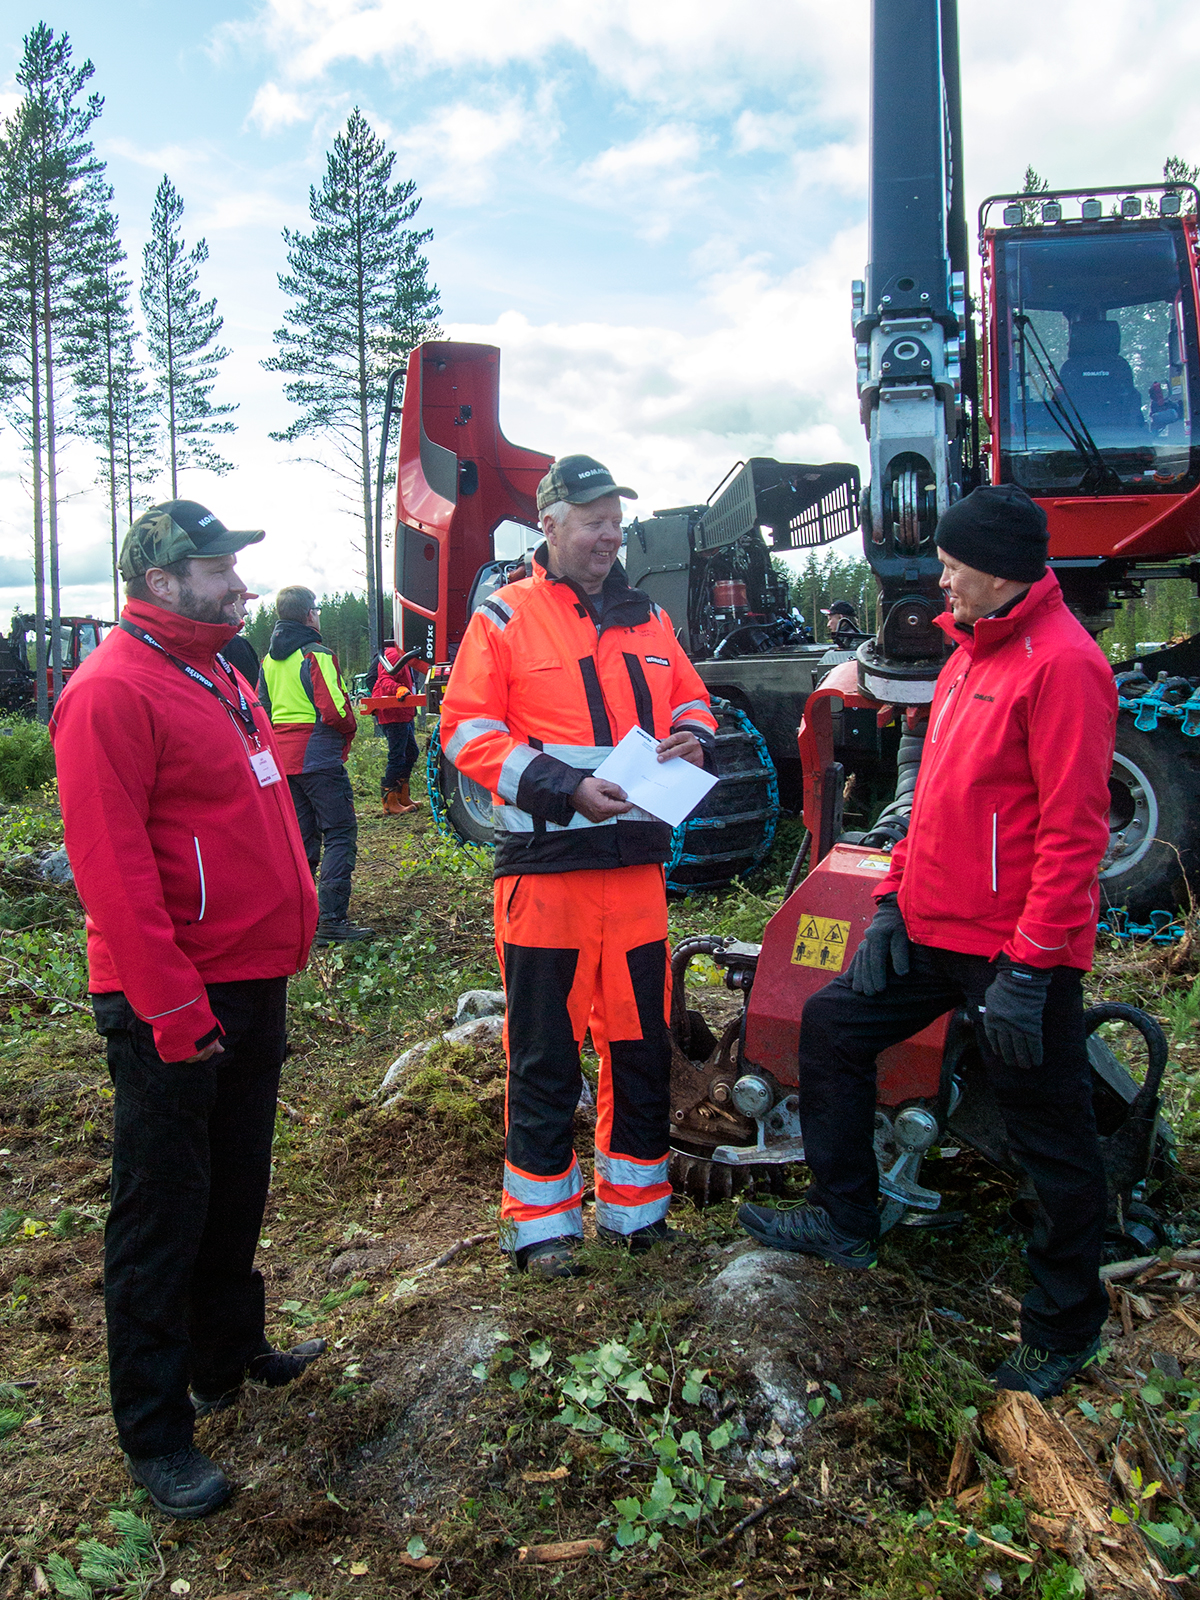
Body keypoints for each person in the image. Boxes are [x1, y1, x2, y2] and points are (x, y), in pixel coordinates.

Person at [740, 484, 1117, 1400]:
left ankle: (1062, 1329)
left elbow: (1074, 835)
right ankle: (847, 1219)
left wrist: (1032, 967)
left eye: (953, 563)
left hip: (1013, 954)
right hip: (935, 930)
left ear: (996, 569)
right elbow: (933, 808)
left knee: (1051, 1135)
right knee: (833, 1027)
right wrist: (891, 909)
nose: (941, 577)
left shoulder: (1064, 666)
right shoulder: (965, 658)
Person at [49, 500, 324, 1520]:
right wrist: (170, 1006)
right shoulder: (109, 692)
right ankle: (158, 1428)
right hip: (172, 996)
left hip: (252, 980)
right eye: (218, 570)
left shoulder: (219, 669)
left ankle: (227, 1351)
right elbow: (114, 874)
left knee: (236, 1179)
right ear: (162, 582)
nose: (238, 585)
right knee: (160, 1209)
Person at [439, 454, 718, 1278]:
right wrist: (566, 788)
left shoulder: (651, 620)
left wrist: (695, 735)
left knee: (639, 1044)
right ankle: (541, 1227)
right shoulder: (502, 618)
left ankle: (638, 1212)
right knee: (544, 1051)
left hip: (635, 872)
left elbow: (694, 700)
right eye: (594, 520)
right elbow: (467, 733)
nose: (610, 534)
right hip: (547, 872)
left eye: (615, 521)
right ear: (550, 524)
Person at [258, 587, 373, 946]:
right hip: (318, 756)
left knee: (303, 839)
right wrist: (348, 732)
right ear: (309, 614)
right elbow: (335, 710)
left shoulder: (269, 660)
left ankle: (300, 918)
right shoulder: (316, 654)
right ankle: (332, 921)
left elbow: (261, 707)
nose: (319, 616)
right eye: (318, 610)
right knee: (340, 833)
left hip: (284, 759)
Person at [372, 639, 425, 816]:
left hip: (403, 712)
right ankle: (390, 802)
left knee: (411, 753)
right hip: (393, 713)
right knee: (397, 757)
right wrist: (398, 688)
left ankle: (403, 796)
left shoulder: (403, 655)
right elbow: (384, 679)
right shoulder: (394, 655)